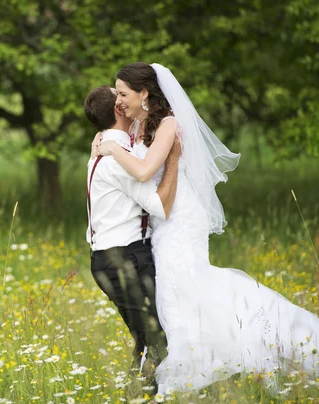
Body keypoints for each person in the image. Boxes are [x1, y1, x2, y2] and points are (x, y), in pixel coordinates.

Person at [93, 62, 319, 396]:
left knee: (187, 285)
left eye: (125, 93)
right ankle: (198, 366)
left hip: (180, 218)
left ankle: (298, 345)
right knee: (178, 295)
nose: (120, 101)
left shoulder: (169, 124)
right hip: (160, 221)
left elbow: (143, 172)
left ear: (144, 93)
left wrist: (112, 149)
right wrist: (107, 141)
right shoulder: (137, 127)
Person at [83, 85, 182, 384]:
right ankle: (141, 396)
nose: (126, 100)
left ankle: (136, 394)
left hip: (108, 259)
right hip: (125, 260)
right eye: (120, 97)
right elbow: (159, 207)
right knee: (157, 342)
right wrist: (174, 160)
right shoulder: (116, 159)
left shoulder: (102, 150)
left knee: (144, 341)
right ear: (117, 109)